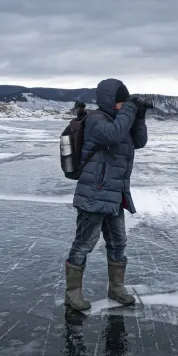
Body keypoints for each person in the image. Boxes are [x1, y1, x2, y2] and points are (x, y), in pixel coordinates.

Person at [65, 78, 148, 310]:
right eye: (120, 101)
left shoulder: (119, 121)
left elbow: (139, 142)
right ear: (110, 101)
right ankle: (73, 293)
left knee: (118, 242)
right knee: (84, 243)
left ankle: (116, 288)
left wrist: (139, 115)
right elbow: (113, 135)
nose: (123, 105)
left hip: (114, 194)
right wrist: (130, 108)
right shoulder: (96, 120)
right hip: (94, 193)